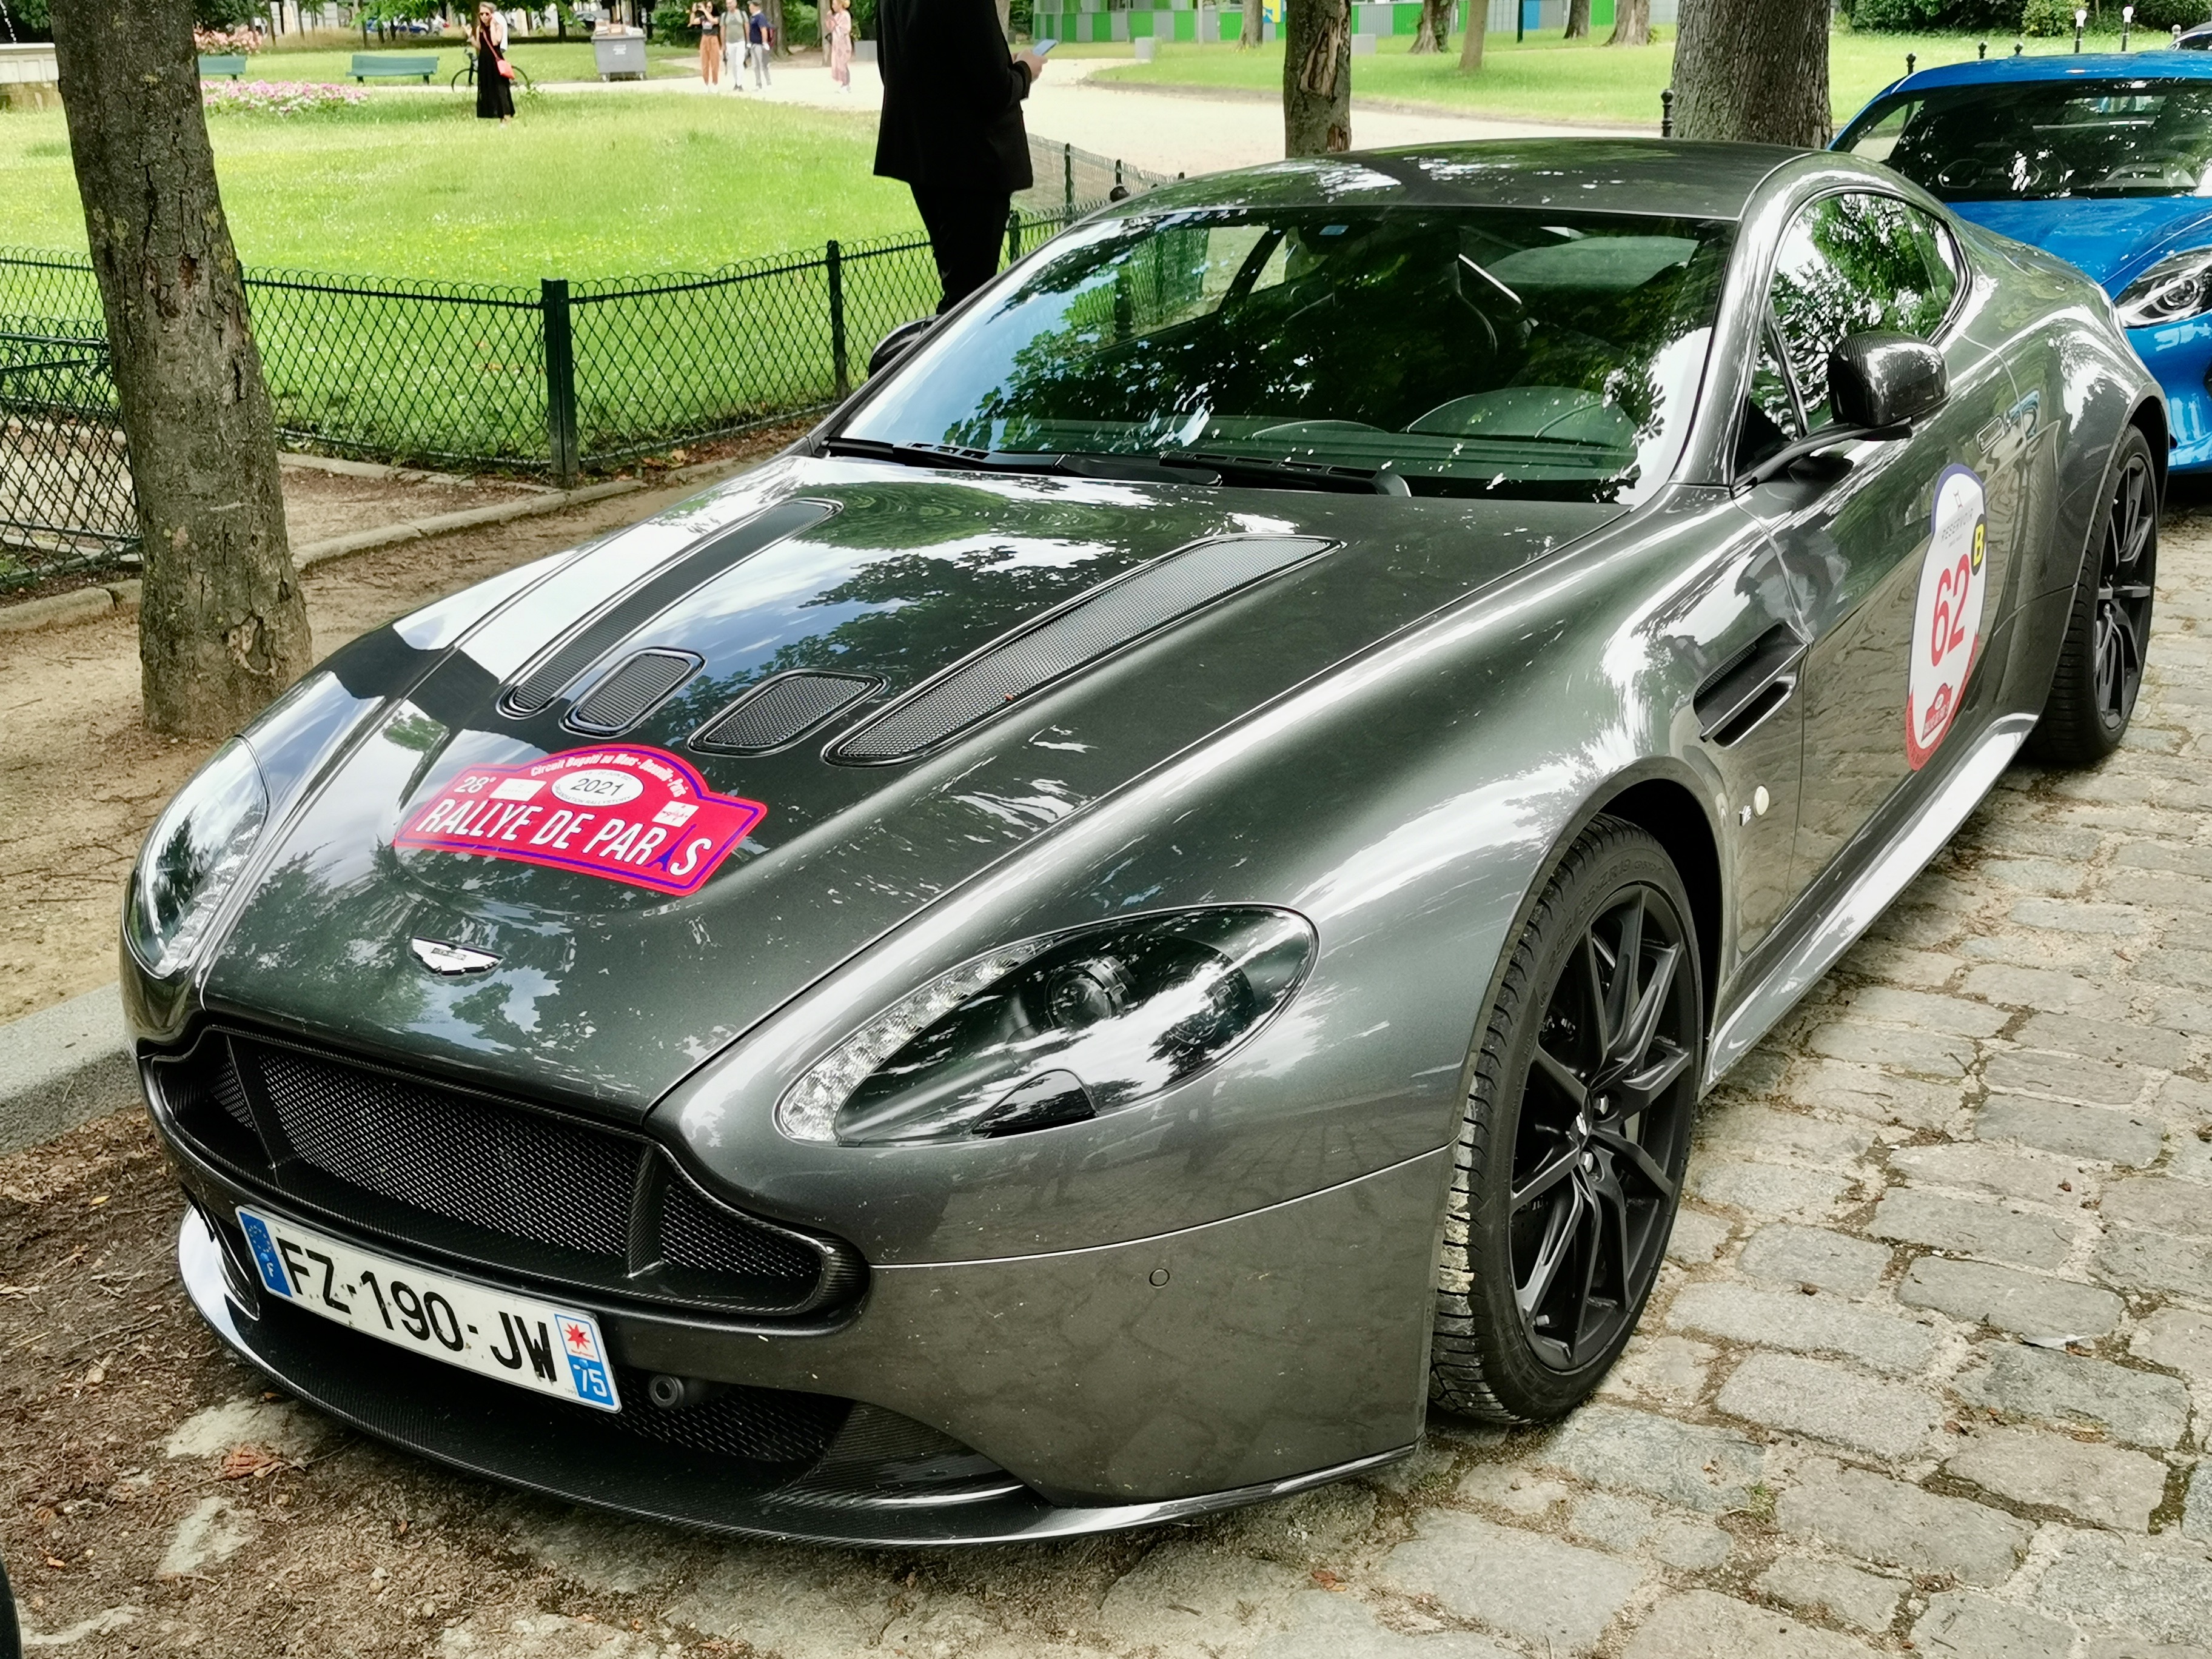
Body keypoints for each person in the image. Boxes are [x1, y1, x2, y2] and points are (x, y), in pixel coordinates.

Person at [874, 0, 1046, 312]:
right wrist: (1025, 70)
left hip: (922, 155)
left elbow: (897, 68)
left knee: (960, 288)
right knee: (969, 303)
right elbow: (995, 91)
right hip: (973, 163)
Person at [472, 2, 515, 123]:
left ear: (492, 14)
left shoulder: (498, 27)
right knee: (488, 88)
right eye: (482, 14)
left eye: (487, 14)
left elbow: (496, 42)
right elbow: (479, 46)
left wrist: (492, 25)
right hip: (484, 61)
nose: (484, 16)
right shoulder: (480, 29)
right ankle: (493, 113)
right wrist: (471, 37)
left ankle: (506, 115)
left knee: (500, 88)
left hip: (495, 60)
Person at [691, 0, 722, 84]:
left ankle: (715, 82)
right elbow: (693, 22)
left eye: (709, 7)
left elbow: (713, 21)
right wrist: (693, 12)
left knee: (715, 62)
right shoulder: (703, 18)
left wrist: (704, 10)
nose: (708, 9)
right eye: (707, 7)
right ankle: (706, 83)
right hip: (704, 38)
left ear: (713, 8)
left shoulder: (717, 17)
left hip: (713, 38)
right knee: (704, 62)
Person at [745, 0, 773, 87]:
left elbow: (763, 30)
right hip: (754, 44)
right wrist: (749, 42)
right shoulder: (752, 17)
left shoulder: (760, 17)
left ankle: (768, 84)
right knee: (755, 66)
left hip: (759, 45)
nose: (749, 7)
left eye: (751, 5)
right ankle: (758, 84)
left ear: (755, 6)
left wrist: (765, 43)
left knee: (763, 64)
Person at [826, 0, 853, 91]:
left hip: (844, 43)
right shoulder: (837, 15)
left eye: (834, 4)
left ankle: (846, 84)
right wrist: (829, 18)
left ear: (840, 4)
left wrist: (833, 20)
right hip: (837, 43)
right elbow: (831, 27)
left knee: (843, 63)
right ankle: (843, 83)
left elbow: (845, 29)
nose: (833, 6)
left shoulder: (845, 15)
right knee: (838, 63)